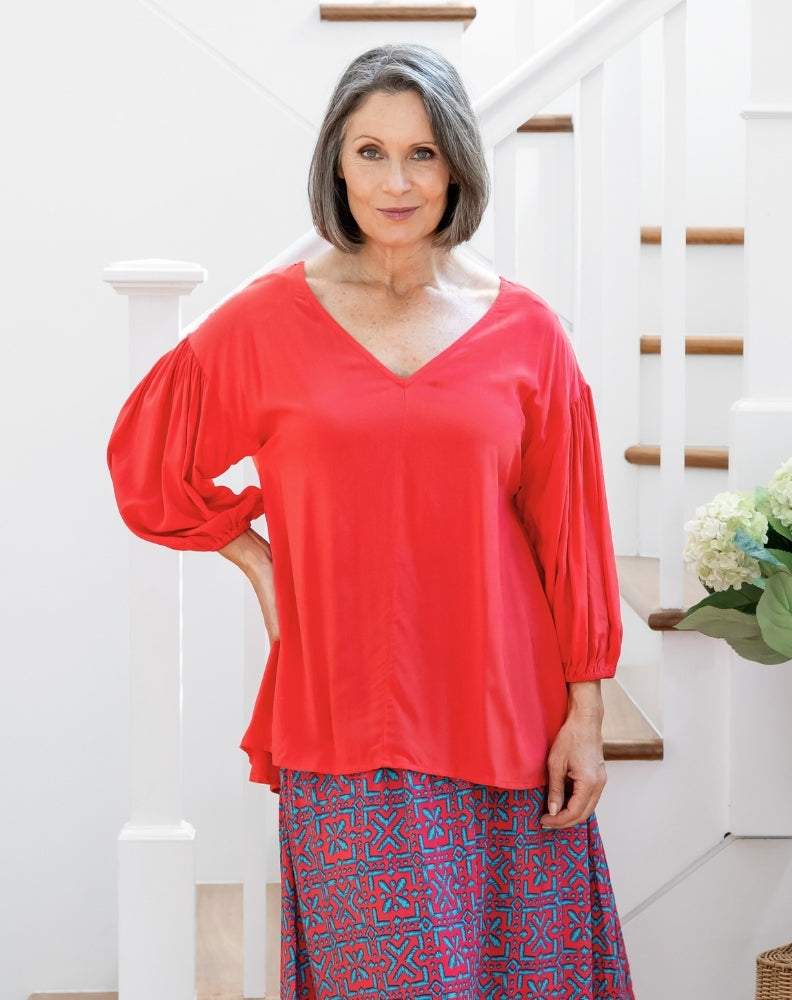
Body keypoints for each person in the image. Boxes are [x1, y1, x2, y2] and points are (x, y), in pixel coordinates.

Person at [108, 43, 633, 1000]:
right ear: (337, 165)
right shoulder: (263, 324)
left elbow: (571, 537)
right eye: (371, 152)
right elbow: (150, 465)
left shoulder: (528, 332)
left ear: (457, 165)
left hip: (508, 713)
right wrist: (259, 562)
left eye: (423, 153)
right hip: (347, 715)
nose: (397, 182)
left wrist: (587, 715)